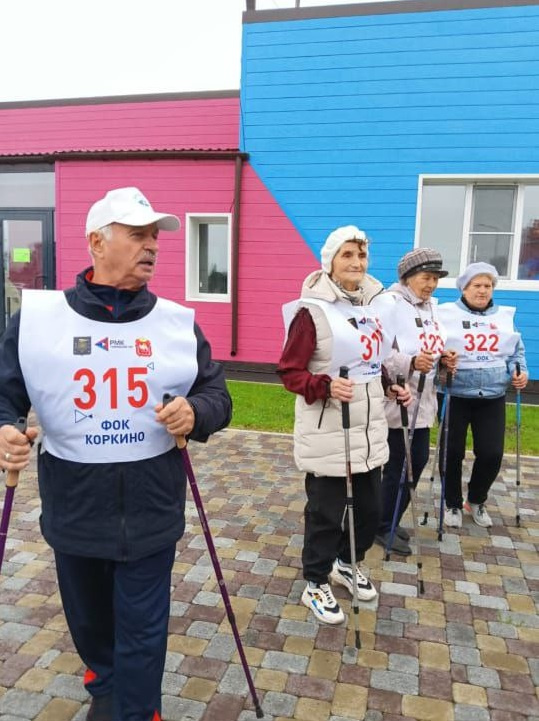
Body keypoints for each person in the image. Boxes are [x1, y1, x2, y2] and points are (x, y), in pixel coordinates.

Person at [0, 187, 232, 721]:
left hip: (151, 509)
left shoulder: (175, 322)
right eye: (137, 234)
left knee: (144, 628)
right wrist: (5, 429)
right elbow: (4, 395)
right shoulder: (38, 319)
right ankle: (103, 678)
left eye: (155, 236)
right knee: (89, 620)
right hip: (75, 507)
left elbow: (218, 396)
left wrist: (195, 412)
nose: (152, 245)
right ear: (97, 242)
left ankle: (136, 709)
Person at [277, 225, 410, 625]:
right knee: (326, 513)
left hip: (369, 431)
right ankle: (315, 582)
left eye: (361, 255)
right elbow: (289, 372)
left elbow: (370, 362)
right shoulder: (311, 312)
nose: (356, 262)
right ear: (330, 261)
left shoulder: (373, 307)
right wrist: (324, 386)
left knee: (369, 510)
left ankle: (346, 563)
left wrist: (389, 386)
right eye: (347, 255)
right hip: (328, 431)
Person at [370, 248, 457, 555]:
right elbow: (378, 352)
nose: (431, 284)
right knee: (399, 464)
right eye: (426, 277)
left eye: (435, 278)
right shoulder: (390, 304)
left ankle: (390, 518)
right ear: (408, 277)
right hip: (398, 399)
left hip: (425, 399)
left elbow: (432, 347)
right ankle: (381, 524)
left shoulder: (432, 308)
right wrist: (409, 362)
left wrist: (443, 360)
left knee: (415, 461)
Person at [437, 261, 528, 528]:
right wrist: (442, 363)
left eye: (488, 285)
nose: (482, 290)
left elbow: (515, 352)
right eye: (476, 285)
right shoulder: (446, 314)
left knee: (491, 453)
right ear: (464, 288)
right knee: (451, 452)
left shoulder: (503, 316)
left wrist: (519, 371)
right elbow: (434, 348)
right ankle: (452, 503)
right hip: (455, 393)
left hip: (492, 394)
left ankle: (476, 500)